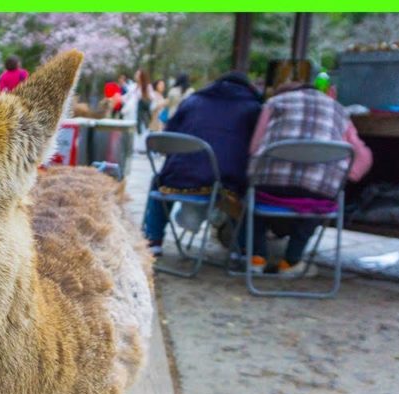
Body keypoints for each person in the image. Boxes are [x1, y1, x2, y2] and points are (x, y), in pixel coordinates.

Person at [242, 82, 373, 276]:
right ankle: (291, 262)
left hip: (271, 183)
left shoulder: (274, 103)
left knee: (254, 198)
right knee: (316, 202)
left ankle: (256, 258)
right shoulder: (339, 110)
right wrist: (351, 174)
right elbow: (360, 155)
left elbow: (255, 148)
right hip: (317, 188)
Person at [143, 71, 264, 257]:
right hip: (227, 183)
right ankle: (243, 248)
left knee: (158, 182)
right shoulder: (254, 107)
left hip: (179, 178)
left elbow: (168, 135)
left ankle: (153, 240)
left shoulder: (193, 101)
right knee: (251, 189)